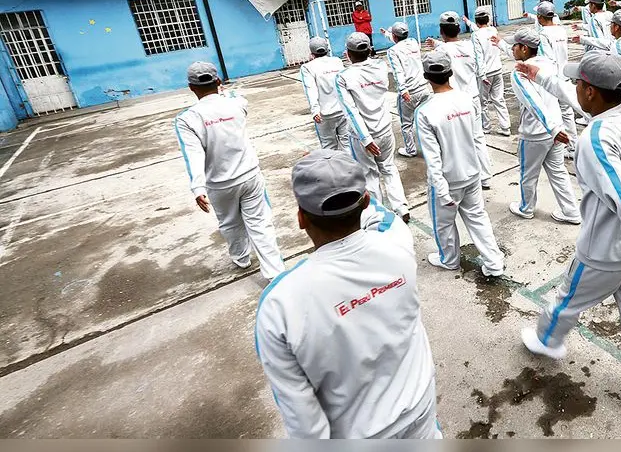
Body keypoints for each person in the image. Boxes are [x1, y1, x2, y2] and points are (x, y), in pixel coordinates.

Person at [513, 50, 621, 420]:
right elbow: (577, 96)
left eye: (579, 83)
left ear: (590, 92)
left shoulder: (595, 140)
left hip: (605, 252)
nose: (574, 87)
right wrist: (540, 75)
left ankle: (546, 340)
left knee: (566, 300)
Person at [254, 150, 438, 439]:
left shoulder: (280, 303)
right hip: (420, 407)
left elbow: (303, 420)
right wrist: (339, 178)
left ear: (301, 219)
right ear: (364, 202)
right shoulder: (397, 241)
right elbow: (383, 213)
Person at [174, 61, 285, 280]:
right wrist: (222, 89)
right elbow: (235, 95)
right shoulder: (237, 103)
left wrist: (198, 187)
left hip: (219, 184)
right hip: (250, 175)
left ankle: (241, 258)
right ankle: (275, 273)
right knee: (260, 223)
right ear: (218, 81)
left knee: (230, 223)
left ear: (191, 87)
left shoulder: (187, 119)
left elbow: (193, 153)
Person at [415, 50, 505, 277]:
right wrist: (483, 172)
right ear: (450, 72)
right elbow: (477, 139)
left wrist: (441, 191)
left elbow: (432, 157)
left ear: (426, 76)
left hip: (447, 180)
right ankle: (494, 264)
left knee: (444, 224)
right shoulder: (466, 99)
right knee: (477, 217)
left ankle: (449, 260)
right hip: (472, 173)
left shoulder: (425, 112)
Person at [497, 28, 581, 224]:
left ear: (524, 49)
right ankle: (571, 211)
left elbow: (532, 102)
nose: (512, 49)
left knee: (528, 175)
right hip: (557, 130)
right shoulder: (549, 64)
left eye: (515, 46)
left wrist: (552, 128)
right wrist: (558, 127)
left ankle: (526, 208)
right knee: (558, 172)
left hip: (536, 134)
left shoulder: (520, 72)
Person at [335, 32, 410, 220]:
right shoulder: (380, 67)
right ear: (369, 50)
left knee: (369, 175)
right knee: (389, 167)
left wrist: (365, 138)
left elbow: (350, 111)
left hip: (363, 136)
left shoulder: (344, 77)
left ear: (348, 53)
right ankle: (401, 207)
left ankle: (378, 213)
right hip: (385, 129)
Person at [426, 11, 493, 188]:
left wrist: (437, 45)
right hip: (472, 98)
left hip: (452, 101)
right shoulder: (470, 46)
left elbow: (447, 51)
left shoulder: (441, 51)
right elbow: (459, 51)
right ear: (458, 29)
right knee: (478, 138)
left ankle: (461, 177)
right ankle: (485, 176)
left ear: (441, 31)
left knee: (455, 141)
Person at [574, 9, 621, 106]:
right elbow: (605, 43)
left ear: (616, 27)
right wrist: (583, 39)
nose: (610, 27)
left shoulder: (619, 44)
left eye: (611, 24)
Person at [379, 22, 430, 157]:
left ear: (395, 36)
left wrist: (403, 90)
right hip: (424, 88)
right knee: (426, 121)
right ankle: (431, 147)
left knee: (406, 124)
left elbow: (398, 72)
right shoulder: (414, 43)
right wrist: (386, 34)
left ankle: (410, 149)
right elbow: (398, 41)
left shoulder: (393, 52)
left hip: (409, 91)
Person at [535, 1, 578, 156]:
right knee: (567, 113)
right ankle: (573, 145)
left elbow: (547, 58)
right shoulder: (561, 30)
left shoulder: (543, 34)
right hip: (564, 75)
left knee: (555, 113)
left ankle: (562, 144)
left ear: (540, 17)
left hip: (554, 77)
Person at [463, 7, 510, 136]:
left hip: (486, 73)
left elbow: (478, 55)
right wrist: (468, 22)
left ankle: (486, 127)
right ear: (488, 20)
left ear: (477, 22)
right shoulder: (493, 30)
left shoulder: (476, 35)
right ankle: (505, 127)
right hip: (498, 70)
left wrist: (482, 74)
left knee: (483, 102)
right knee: (499, 99)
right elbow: (480, 30)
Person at [300, 37, 349, 151]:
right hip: (343, 110)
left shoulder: (307, 67)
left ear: (311, 52)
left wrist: (315, 110)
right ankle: (349, 168)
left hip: (324, 115)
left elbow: (310, 89)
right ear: (327, 49)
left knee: (328, 147)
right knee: (347, 145)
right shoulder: (337, 61)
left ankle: (332, 168)